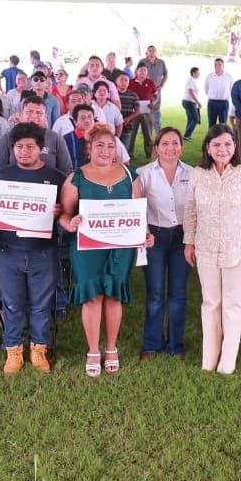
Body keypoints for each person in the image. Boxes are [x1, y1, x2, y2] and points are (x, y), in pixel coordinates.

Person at [59, 125, 144, 377]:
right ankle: (93, 350)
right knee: (93, 296)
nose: (106, 151)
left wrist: (145, 233)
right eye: (99, 146)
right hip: (88, 247)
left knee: (114, 295)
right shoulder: (76, 177)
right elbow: (64, 214)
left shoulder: (130, 174)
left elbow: (138, 212)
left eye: (110, 146)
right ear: (89, 148)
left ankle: (111, 348)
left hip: (120, 246)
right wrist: (69, 223)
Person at [184, 124, 241, 374]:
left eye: (227, 144)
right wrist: (189, 242)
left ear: (235, 146)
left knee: (232, 305)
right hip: (205, 248)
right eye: (216, 144)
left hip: (237, 249)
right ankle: (209, 359)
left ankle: (227, 361)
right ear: (207, 148)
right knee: (210, 303)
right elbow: (190, 210)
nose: (222, 149)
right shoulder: (198, 174)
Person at [0, 122, 65, 374]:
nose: (24, 152)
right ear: (12, 148)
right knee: (11, 304)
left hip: (43, 251)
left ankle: (38, 348)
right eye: (19, 147)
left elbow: (68, 215)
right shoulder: (1, 176)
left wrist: (60, 211)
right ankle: (13, 349)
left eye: (30, 147)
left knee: (41, 305)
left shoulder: (56, 178)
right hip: (9, 251)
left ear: (41, 148)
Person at [137, 127, 192, 360]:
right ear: (157, 148)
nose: (171, 148)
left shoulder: (192, 174)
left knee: (178, 294)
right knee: (156, 293)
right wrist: (145, 232)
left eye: (175, 143)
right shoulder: (144, 173)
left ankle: (175, 344)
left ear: (182, 147)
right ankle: (152, 344)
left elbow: (196, 208)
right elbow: (137, 206)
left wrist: (192, 239)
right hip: (155, 238)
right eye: (165, 143)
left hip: (182, 238)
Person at [136, 44, 168, 142]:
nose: (152, 52)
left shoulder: (161, 62)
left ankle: (158, 130)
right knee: (143, 110)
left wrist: (161, 85)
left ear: (156, 52)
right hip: (144, 89)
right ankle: (143, 129)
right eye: (150, 50)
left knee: (156, 109)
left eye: (153, 50)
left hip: (157, 89)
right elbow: (136, 73)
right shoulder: (142, 61)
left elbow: (166, 74)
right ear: (147, 52)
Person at [204, 59, 233, 128]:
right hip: (212, 103)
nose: (217, 66)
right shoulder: (209, 76)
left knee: (223, 124)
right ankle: (211, 135)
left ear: (223, 66)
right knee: (211, 124)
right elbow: (206, 89)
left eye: (219, 64)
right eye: (215, 65)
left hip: (224, 103)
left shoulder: (228, 76)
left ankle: (222, 135)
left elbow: (232, 89)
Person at [181, 66, 201, 141]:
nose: (199, 74)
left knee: (190, 119)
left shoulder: (193, 80)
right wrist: (197, 102)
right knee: (195, 119)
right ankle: (186, 135)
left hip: (188, 102)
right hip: (189, 102)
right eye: (198, 72)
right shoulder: (191, 81)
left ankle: (187, 135)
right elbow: (190, 92)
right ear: (193, 73)